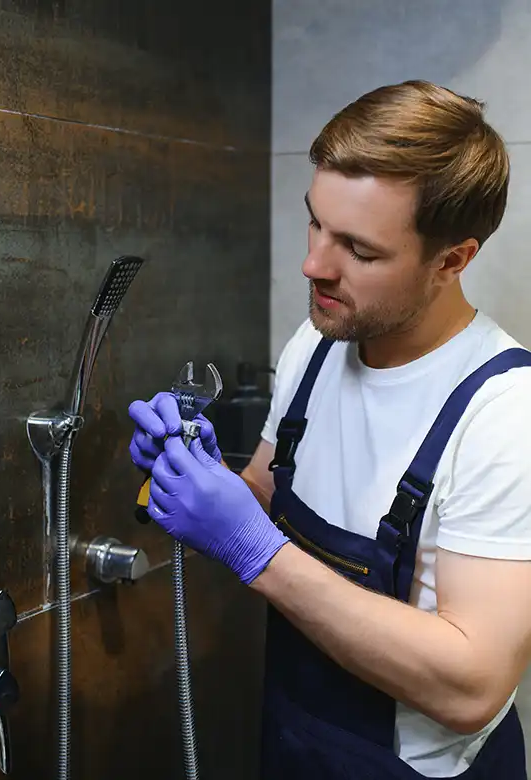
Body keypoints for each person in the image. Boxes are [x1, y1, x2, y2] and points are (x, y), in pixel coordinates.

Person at [127, 80, 531, 779]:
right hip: (295, 737)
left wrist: (257, 553)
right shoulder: (316, 345)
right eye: (316, 222)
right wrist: (194, 475)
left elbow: (472, 685)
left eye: (360, 250)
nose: (315, 264)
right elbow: (264, 490)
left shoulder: (504, 414)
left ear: (452, 260)